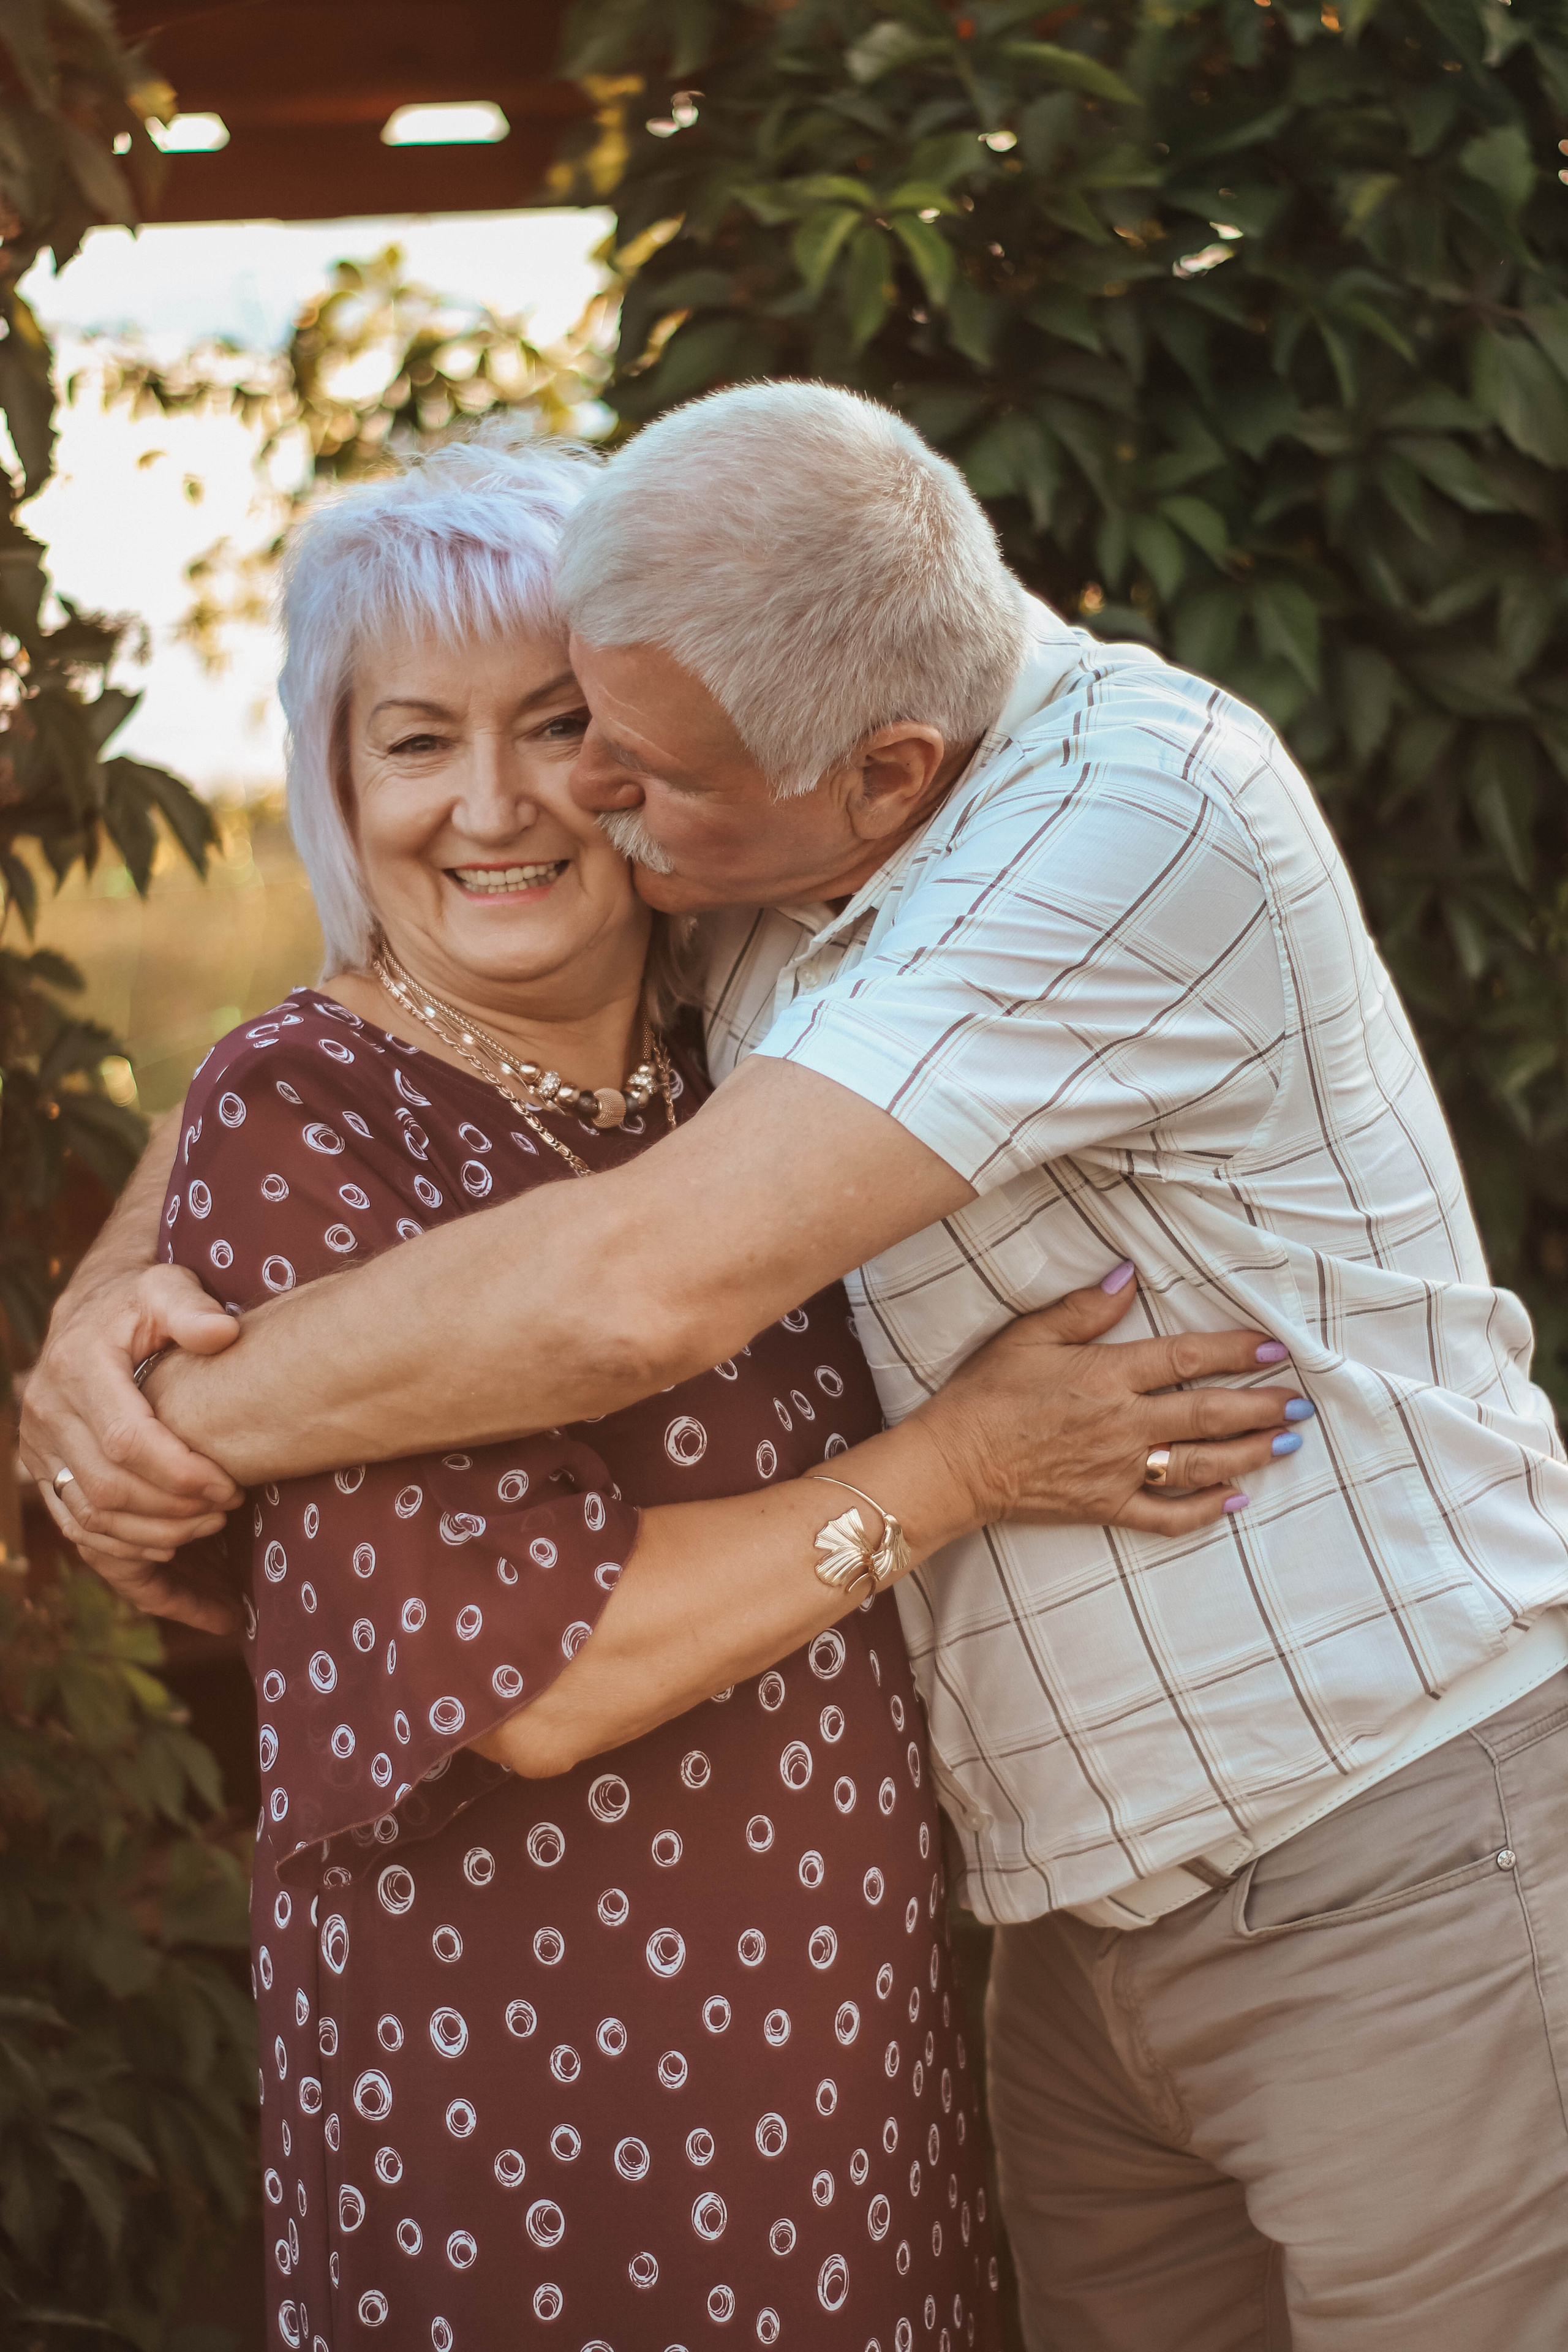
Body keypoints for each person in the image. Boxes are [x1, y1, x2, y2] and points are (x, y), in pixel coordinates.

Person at [24, 384, 1568, 2350]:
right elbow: (363, 1035)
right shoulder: (744, 876)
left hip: (1385, 1846)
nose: (569, 806)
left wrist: (189, 1417)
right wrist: (107, 1301)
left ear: (881, 772)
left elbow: (628, 1287)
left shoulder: (1114, 826)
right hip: (1020, 1958)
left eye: (606, 750)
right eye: (434, 740)